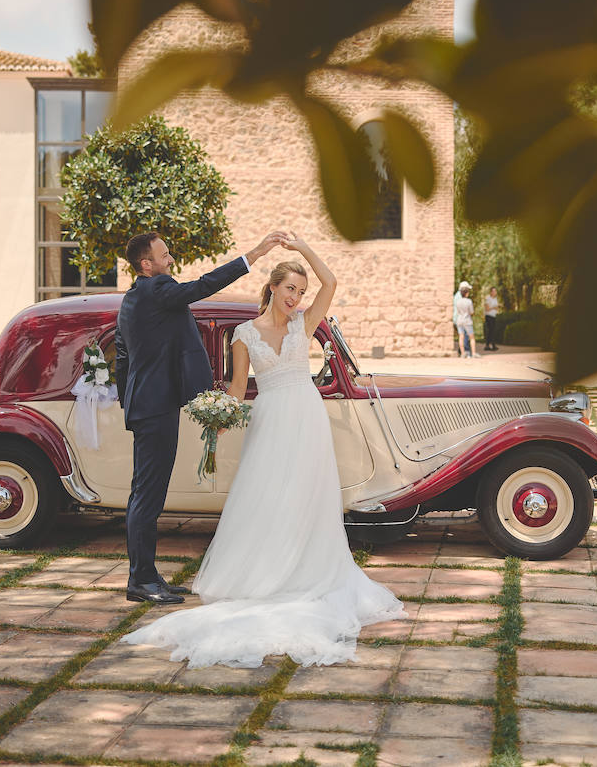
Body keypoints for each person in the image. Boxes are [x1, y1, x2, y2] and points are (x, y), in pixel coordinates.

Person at [121, 235, 405, 666]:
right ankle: (238, 575)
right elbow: (237, 389)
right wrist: (218, 411)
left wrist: (305, 248)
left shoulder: (303, 325)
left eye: (300, 291)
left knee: (308, 499)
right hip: (269, 419)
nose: (296, 297)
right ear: (272, 287)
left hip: (307, 419)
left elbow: (330, 283)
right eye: (289, 288)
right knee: (267, 497)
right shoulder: (241, 332)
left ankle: (304, 569)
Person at [114, 229, 286, 605]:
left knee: (147, 493)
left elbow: (122, 357)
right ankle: (140, 582)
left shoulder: (131, 299)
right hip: (155, 409)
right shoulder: (157, 291)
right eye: (164, 254)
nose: (170, 259)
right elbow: (203, 286)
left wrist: (131, 403)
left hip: (147, 406)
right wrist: (254, 253)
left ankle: (145, 574)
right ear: (147, 265)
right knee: (147, 496)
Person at [453, 281, 475, 358]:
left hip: (459, 319)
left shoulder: (457, 297)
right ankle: (466, 352)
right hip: (464, 319)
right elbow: (470, 311)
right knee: (466, 336)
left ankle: (462, 352)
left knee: (461, 336)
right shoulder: (463, 298)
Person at [483, 286, 501, 351]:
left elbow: (496, 307)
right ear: (490, 292)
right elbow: (487, 309)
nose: (494, 292)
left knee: (493, 331)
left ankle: (491, 345)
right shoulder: (488, 298)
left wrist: (497, 308)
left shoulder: (495, 299)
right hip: (488, 316)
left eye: (495, 291)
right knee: (490, 331)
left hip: (493, 316)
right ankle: (489, 345)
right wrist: (494, 307)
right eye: (493, 291)